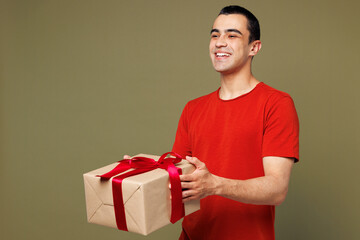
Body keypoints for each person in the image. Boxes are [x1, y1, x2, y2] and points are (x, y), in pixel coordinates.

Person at [172, 5, 299, 240]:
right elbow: (176, 178)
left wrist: (214, 185)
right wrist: (139, 172)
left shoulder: (277, 103)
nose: (220, 42)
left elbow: (277, 188)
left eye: (232, 35)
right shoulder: (193, 108)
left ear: (254, 47)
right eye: (215, 35)